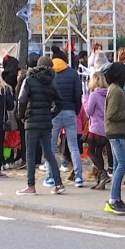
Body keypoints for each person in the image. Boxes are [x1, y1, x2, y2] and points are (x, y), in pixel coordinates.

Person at [17, 57, 64, 195]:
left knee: (30, 154)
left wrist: (21, 116)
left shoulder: (29, 80)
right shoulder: (51, 83)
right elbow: (60, 103)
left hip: (31, 121)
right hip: (46, 121)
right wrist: (51, 114)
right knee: (49, 153)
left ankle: (30, 185)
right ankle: (58, 183)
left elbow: (22, 99)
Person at [47, 47, 84, 187]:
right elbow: (78, 94)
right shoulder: (73, 74)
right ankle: (78, 177)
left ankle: (50, 177)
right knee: (73, 146)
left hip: (54, 112)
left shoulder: (50, 74)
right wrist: (76, 109)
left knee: (51, 146)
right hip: (69, 111)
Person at [103, 62, 125, 214]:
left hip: (116, 131)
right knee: (122, 164)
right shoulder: (116, 90)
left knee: (117, 166)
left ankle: (116, 198)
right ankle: (113, 199)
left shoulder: (115, 89)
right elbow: (112, 114)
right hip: (115, 132)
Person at [85, 72, 111, 190]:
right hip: (105, 128)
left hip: (95, 128)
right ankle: (101, 181)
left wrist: (84, 100)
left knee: (91, 152)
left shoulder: (94, 95)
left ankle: (102, 173)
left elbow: (88, 111)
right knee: (99, 153)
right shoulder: (108, 93)